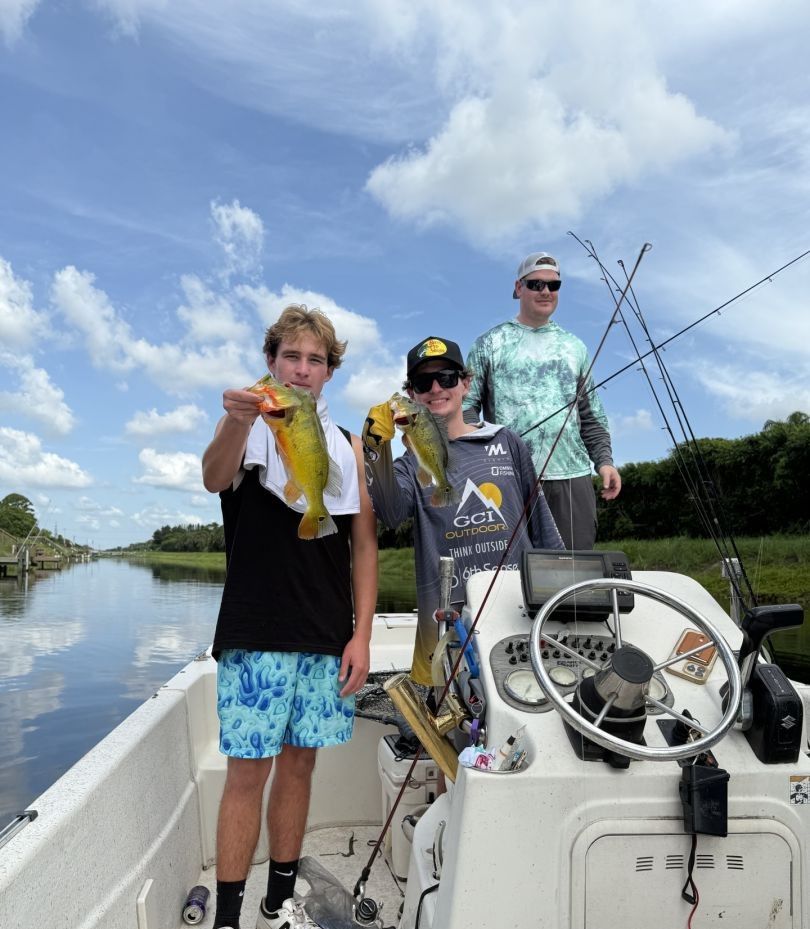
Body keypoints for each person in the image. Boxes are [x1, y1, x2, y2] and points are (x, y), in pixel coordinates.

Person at [202, 305, 378, 929]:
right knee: (247, 774)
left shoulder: (349, 446)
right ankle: (228, 918)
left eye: (315, 360)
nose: (302, 370)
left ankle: (277, 901)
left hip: (326, 633)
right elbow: (213, 477)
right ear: (271, 362)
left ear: (329, 372)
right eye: (291, 357)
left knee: (300, 766)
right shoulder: (250, 424)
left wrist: (360, 633)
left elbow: (363, 547)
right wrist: (234, 420)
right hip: (256, 627)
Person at [362, 335, 562, 687]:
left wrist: (559, 604)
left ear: (466, 384)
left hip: (519, 612)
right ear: (412, 395)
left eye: (448, 378)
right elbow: (391, 514)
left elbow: (541, 524)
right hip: (448, 620)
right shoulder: (410, 462)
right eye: (424, 383)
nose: (436, 388)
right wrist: (375, 449)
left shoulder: (506, 441)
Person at [463, 252, 622, 550]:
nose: (545, 291)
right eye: (535, 284)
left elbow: (591, 415)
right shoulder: (489, 343)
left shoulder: (575, 347)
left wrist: (604, 461)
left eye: (553, 285)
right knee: (510, 575)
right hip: (509, 477)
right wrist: (484, 458)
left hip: (572, 478)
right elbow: (466, 408)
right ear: (518, 288)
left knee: (573, 577)